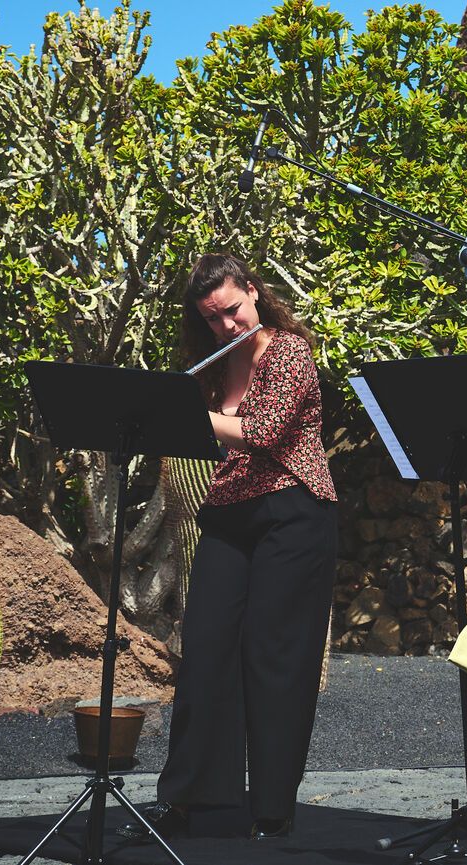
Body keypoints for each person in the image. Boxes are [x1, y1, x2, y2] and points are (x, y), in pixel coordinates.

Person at [122, 253, 339, 841]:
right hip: (232, 508)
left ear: (253, 291)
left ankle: (271, 807)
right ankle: (191, 797)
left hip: (292, 510)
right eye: (213, 319)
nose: (227, 326)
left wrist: (184, 409)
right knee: (207, 650)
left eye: (233, 310)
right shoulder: (212, 365)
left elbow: (264, 433)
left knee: (273, 658)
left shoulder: (289, 349)